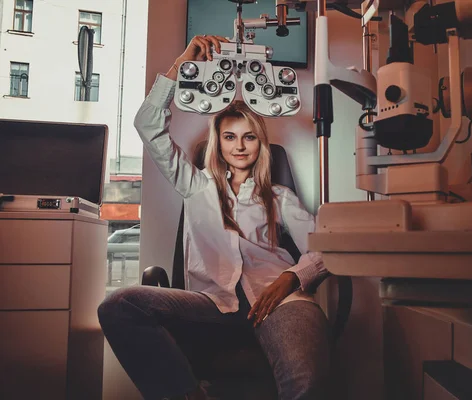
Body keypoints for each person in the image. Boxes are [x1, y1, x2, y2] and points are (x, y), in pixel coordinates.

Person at [97, 35, 331, 400]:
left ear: (260, 144)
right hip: (212, 304)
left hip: (279, 301)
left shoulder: (279, 196)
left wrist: (291, 278)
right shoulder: (194, 185)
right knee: (118, 306)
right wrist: (179, 66)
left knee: (306, 385)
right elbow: (147, 125)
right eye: (230, 137)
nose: (239, 146)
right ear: (218, 143)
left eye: (249, 137)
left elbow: (326, 249)